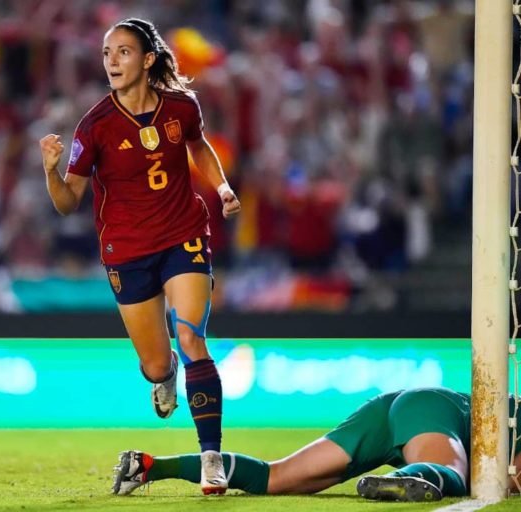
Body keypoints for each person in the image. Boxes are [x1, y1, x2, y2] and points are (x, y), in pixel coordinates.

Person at [38, 18, 241, 495]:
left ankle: (211, 458)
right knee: (155, 364)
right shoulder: (95, 127)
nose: (111, 61)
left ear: (148, 60)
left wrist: (224, 187)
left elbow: (199, 147)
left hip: (183, 236)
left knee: (192, 337)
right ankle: (163, 372)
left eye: (123, 52)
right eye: (107, 53)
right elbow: (68, 203)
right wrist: (50, 172)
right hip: (127, 251)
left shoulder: (181, 107)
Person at [112, 387, 521, 502]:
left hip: (390, 408)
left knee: (277, 478)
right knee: (451, 473)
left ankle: (150, 465)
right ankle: (405, 478)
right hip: (433, 411)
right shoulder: (511, 410)